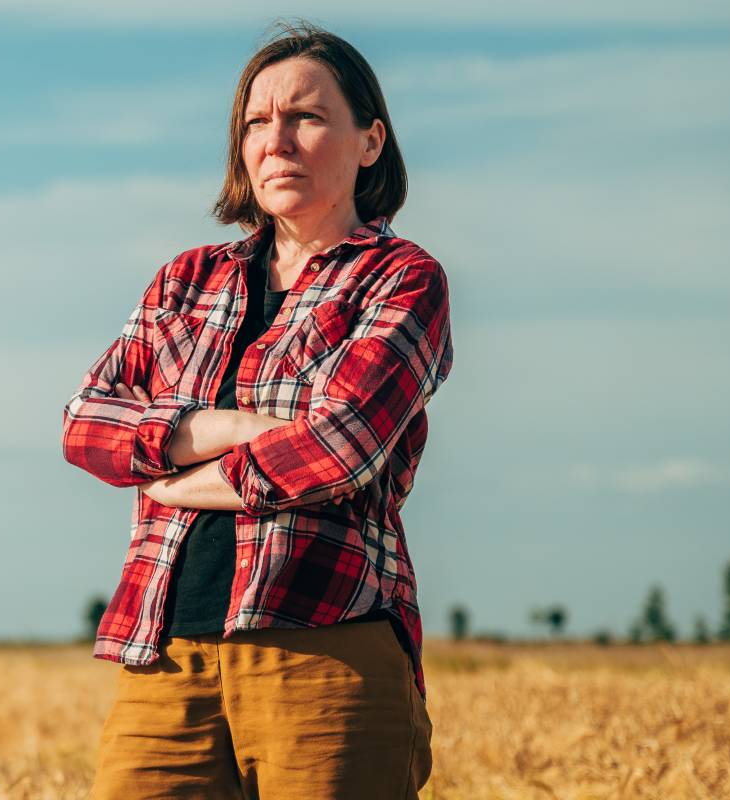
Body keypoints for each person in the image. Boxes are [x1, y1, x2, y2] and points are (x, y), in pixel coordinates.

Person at [60, 23, 453, 799]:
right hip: (165, 650)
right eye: (256, 122)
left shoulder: (401, 279)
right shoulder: (187, 280)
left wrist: (166, 470)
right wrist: (235, 430)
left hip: (327, 647)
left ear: (370, 141)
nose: (277, 141)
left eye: (307, 117)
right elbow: (84, 423)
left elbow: (342, 448)